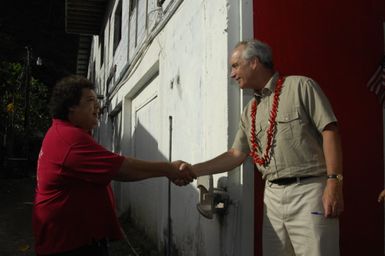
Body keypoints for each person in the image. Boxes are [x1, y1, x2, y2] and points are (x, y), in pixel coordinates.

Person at [187, 39, 344, 256]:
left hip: (309, 193)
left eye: (235, 65)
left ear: (254, 62)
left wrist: (334, 182)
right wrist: (193, 170)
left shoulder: (300, 86)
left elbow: (330, 130)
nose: (232, 74)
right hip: (272, 197)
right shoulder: (250, 110)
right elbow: (235, 154)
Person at [32, 75, 195, 256]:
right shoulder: (69, 139)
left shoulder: (63, 133)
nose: (97, 107)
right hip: (70, 245)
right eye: (90, 101)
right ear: (71, 106)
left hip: (73, 239)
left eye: (97, 101)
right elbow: (122, 168)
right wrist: (168, 169)